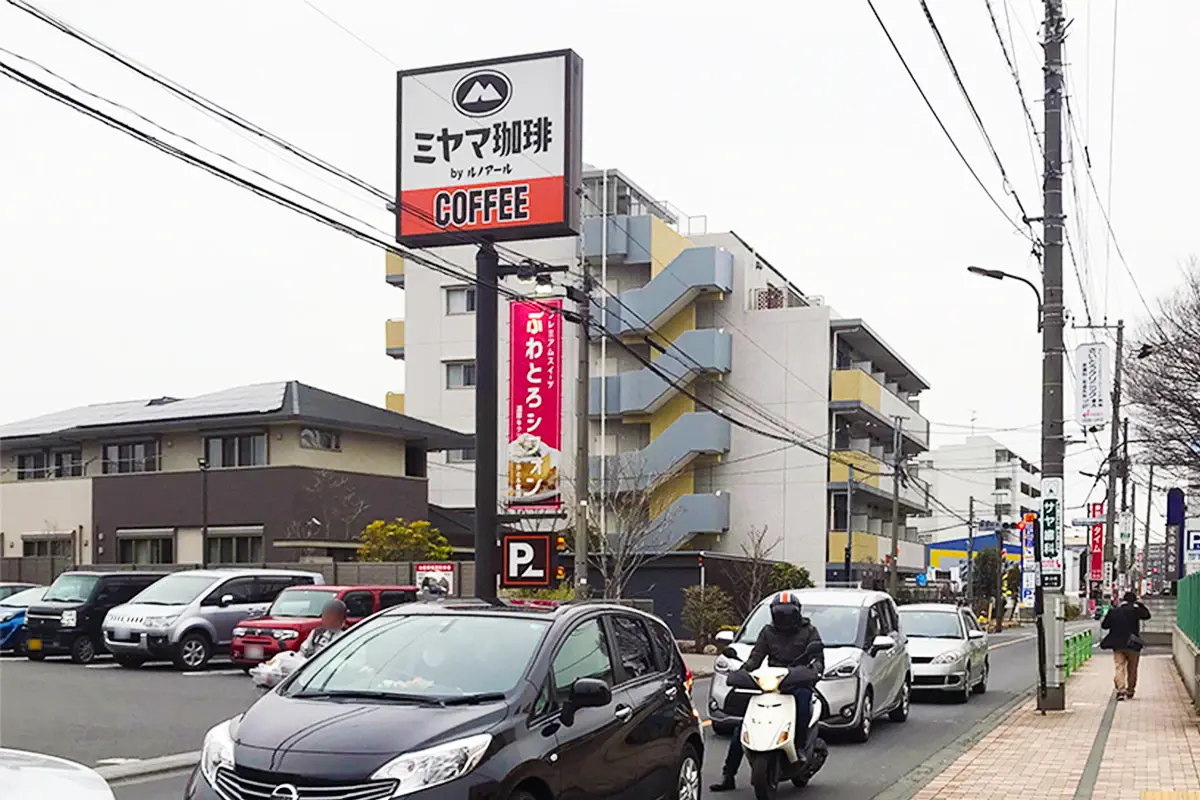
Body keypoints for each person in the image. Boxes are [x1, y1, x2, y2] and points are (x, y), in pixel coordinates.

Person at [710, 592, 824, 793]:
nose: (785, 618)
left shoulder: (810, 631)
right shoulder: (767, 632)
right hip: (772, 683)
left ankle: (799, 747)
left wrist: (814, 669)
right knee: (743, 725)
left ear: (797, 614)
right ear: (773, 614)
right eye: (781, 614)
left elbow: (818, 659)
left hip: (798, 681)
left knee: (803, 698)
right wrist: (741, 672)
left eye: (789, 614)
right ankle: (728, 775)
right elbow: (756, 658)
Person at [1100, 590, 1151, 700]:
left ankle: (1121, 689)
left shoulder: (1114, 611)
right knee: (1132, 669)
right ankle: (1130, 690)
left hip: (1118, 645)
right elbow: (1147, 615)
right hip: (1133, 644)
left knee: (1119, 667)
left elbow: (1105, 625)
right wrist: (1140, 604)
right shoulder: (1136, 611)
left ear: (1123, 600)